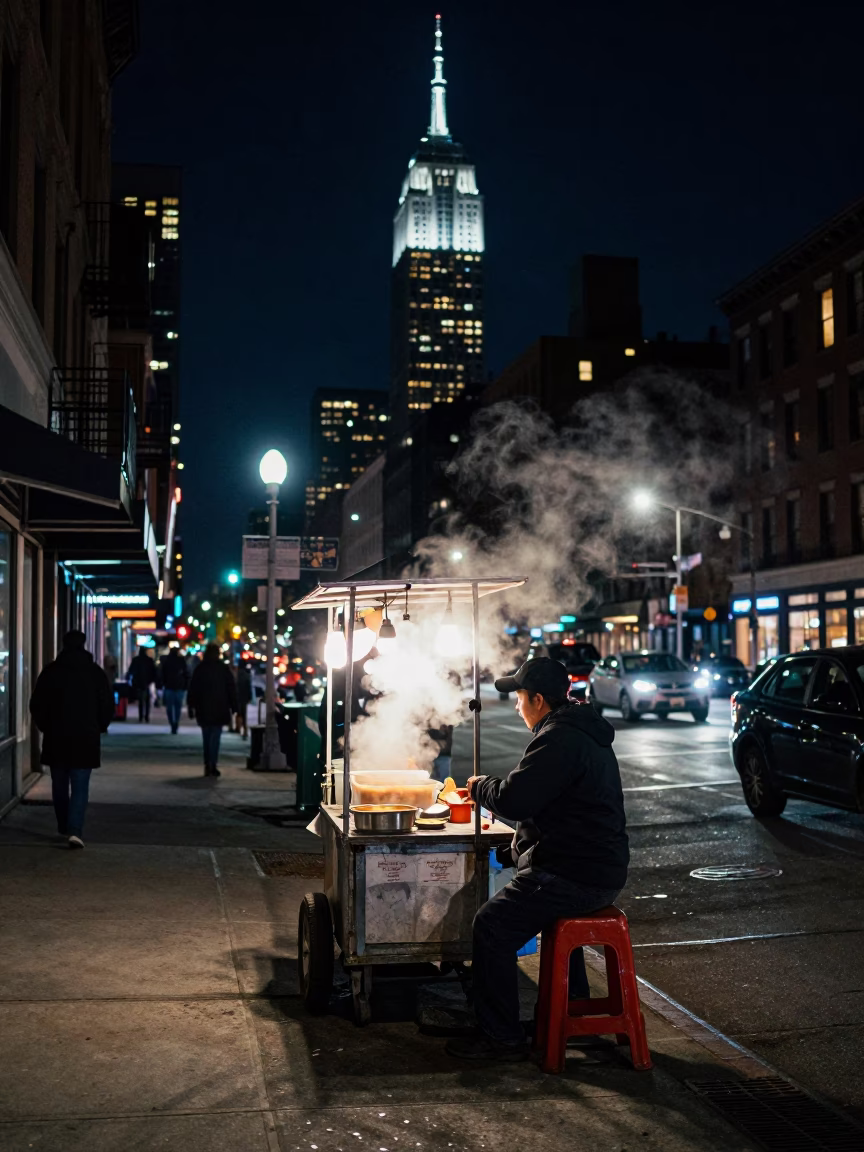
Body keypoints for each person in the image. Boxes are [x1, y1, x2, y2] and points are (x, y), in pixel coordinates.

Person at [446, 657, 629, 1062]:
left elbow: (515, 799)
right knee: (541, 913)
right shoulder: (577, 728)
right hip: (598, 867)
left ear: (539, 700)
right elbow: (552, 809)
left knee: (491, 926)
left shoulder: (559, 738)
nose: (516, 706)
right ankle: (570, 1008)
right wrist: (513, 852)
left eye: (520, 698)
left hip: (576, 872)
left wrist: (479, 787)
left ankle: (500, 1037)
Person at [29, 630, 115, 850]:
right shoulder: (94, 673)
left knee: (59, 784)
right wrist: (99, 727)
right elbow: (106, 704)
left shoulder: (51, 672)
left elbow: (36, 704)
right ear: (84, 645)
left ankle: (63, 824)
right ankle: (75, 830)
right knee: (80, 785)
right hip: (85, 738)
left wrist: (46, 726)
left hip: (56, 737)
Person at [187, 643, 238, 776]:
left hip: (203, 709)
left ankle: (207, 763)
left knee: (206, 737)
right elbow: (231, 688)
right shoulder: (223, 669)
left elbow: (193, 689)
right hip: (219, 708)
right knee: (215, 737)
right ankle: (213, 763)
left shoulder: (200, 668)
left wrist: (191, 706)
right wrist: (234, 706)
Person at [159, 646, 189, 734]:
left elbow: (162, 674)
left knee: (169, 708)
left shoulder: (166, 661)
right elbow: (186, 674)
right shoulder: (181, 661)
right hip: (179, 687)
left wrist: (162, 684)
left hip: (169, 687)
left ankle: (172, 723)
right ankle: (175, 723)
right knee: (177, 707)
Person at [127, 646, 156, 722]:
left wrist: (130, 679)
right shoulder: (149, 660)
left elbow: (131, 670)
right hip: (147, 682)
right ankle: (146, 716)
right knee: (147, 700)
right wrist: (152, 680)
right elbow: (153, 671)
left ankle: (141, 716)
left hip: (138, 682)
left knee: (141, 700)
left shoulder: (136, 660)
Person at [235, 659, 252, 738]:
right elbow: (249, 687)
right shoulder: (246, 675)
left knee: (238, 713)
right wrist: (249, 697)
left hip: (238, 696)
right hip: (244, 696)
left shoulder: (236, 675)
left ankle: (238, 728)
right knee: (244, 714)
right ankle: (244, 730)